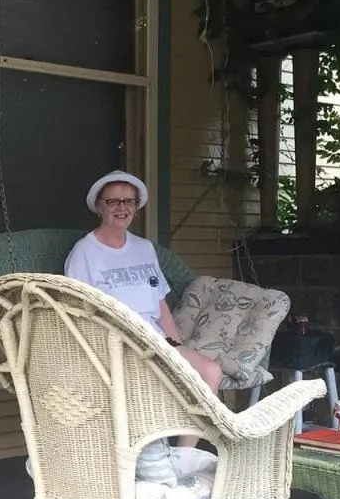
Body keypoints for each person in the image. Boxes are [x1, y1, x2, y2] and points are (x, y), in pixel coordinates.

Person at [65, 171, 222, 451]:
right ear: (99, 206)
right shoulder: (84, 253)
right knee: (158, 380)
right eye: (113, 201)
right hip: (117, 345)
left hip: (157, 341)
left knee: (210, 371)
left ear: (136, 207)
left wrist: (176, 344)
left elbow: (159, 302)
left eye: (129, 201)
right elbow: (77, 313)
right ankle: (151, 458)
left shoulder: (144, 248)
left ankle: (183, 456)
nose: (122, 208)